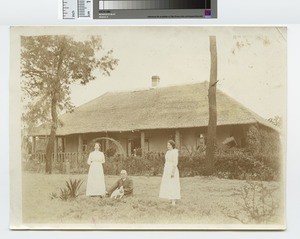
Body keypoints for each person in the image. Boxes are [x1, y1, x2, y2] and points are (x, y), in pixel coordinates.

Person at [159, 140, 181, 206]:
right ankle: (170, 198)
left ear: (172, 145)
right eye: (167, 144)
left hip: (172, 169)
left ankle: (173, 200)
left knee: (173, 184)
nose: (167, 146)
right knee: (168, 184)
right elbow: (166, 162)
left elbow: (175, 163)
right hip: (167, 169)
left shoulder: (175, 152)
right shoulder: (168, 152)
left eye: (169, 145)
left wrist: (172, 172)